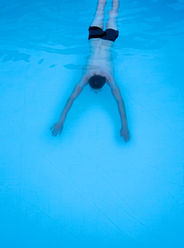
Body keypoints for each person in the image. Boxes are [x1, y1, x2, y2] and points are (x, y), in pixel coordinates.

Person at [51, 0, 130, 142]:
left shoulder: (107, 76)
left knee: (113, 14)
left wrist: (125, 126)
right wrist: (61, 121)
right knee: (100, 9)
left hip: (110, 39)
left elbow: (72, 98)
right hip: (93, 38)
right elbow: (71, 99)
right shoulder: (90, 75)